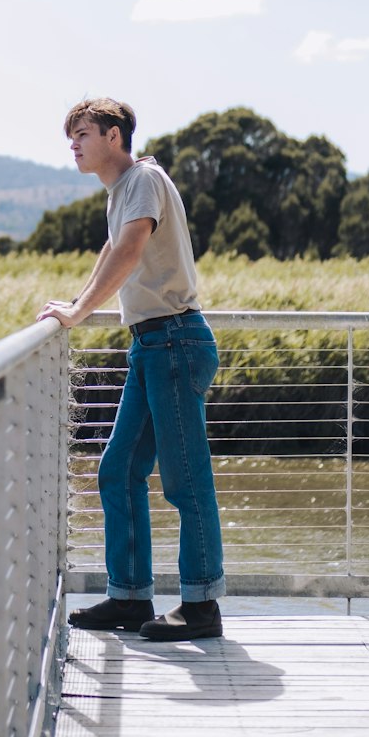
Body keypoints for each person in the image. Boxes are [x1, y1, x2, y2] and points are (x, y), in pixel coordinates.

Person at [37, 97, 225, 640]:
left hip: (174, 341)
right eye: (70, 136)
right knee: (118, 472)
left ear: (115, 135)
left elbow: (131, 249)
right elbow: (110, 249)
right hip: (151, 346)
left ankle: (202, 606)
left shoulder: (143, 178)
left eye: (83, 133)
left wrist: (78, 312)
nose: (73, 144)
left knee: (186, 483)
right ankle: (129, 597)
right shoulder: (121, 192)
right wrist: (72, 301)